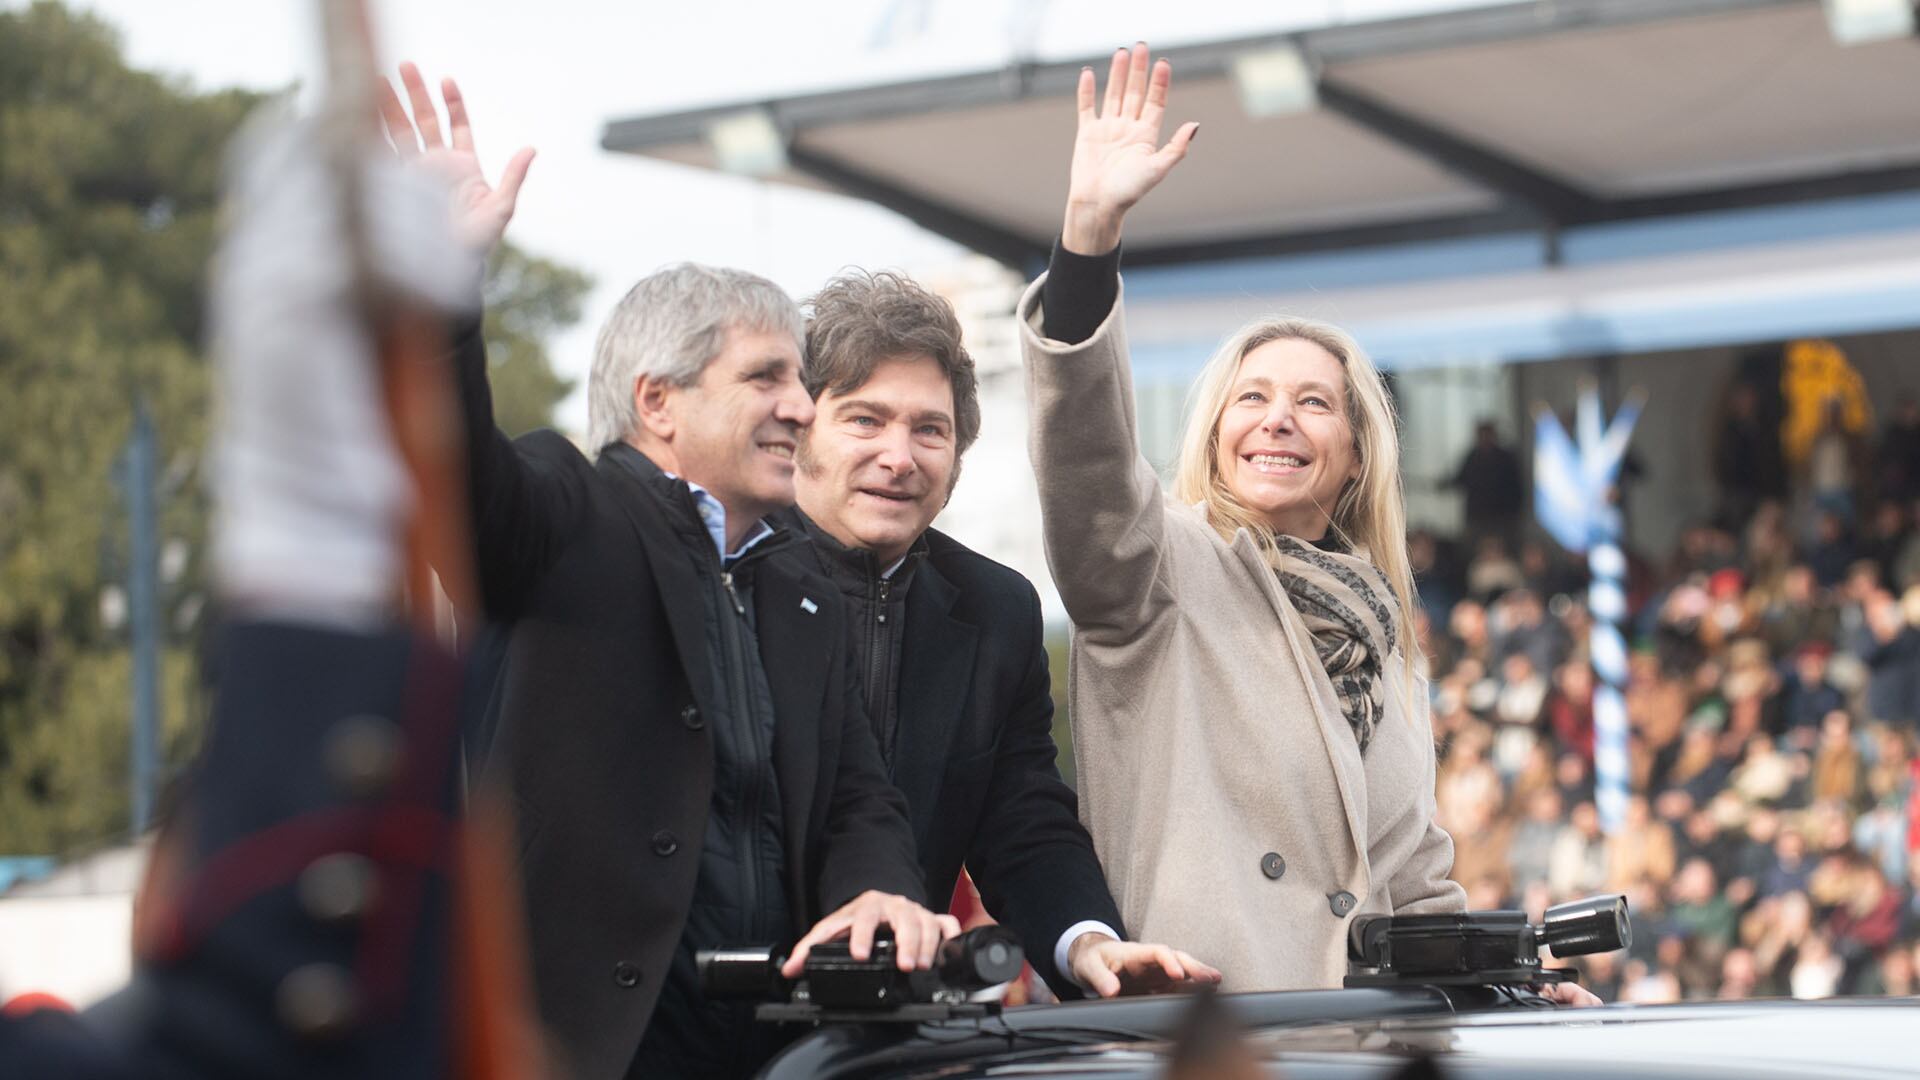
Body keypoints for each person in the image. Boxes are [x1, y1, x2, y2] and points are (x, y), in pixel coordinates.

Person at [376, 67, 955, 1078]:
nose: (802, 408)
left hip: (781, 1049)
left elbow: (865, 801)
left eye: (802, 381)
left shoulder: (802, 583)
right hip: (577, 1049)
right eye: (766, 377)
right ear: (658, 401)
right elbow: (455, 472)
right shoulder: (564, 507)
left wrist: (879, 888)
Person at [1018, 45, 1599, 1006]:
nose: (1279, 418)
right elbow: (1084, 463)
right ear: (1215, 432)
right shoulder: (1156, 565)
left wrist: (1509, 985)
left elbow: (1413, 878)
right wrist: (1087, 243)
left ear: (1358, 452)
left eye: (1313, 403)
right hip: (1198, 1032)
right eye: (1251, 398)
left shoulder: (1386, 633)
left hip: (1350, 1039)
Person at [777, 269, 1218, 997]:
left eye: (930, 430)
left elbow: (1023, 819)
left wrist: (1089, 943)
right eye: (865, 419)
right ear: (798, 429)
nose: (899, 455)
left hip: (893, 1030)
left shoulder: (995, 610)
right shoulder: (723, 580)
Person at [1448, 420, 1526, 547]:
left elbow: (1515, 488)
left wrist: (1513, 514)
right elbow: (1461, 480)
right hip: (1478, 516)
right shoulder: (1472, 457)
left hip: (1502, 518)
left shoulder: (1505, 459)